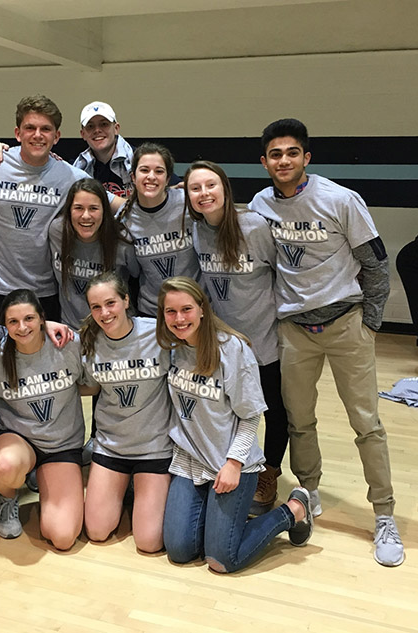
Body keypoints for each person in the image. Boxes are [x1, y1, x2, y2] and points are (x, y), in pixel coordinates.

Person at [249, 118, 404, 566]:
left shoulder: (340, 200)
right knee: (299, 420)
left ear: (306, 158)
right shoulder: (260, 205)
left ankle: (384, 514)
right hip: (294, 331)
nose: (284, 161)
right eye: (275, 154)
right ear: (264, 163)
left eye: (292, 152)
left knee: (366, 424)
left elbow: (376, 264)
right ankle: (309, 490)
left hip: (346, 324)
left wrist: (370, 324)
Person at [157, 276, 312, 573]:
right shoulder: (169, 348)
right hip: (189, 462)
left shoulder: (232, 349)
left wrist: (233, 462)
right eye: (170, 312)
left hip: (231, 465)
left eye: (186, 309)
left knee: (222, 560)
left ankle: (293, 510)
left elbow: (250, 415)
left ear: (202, 308)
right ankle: (216, 522)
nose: (179, 319)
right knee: (179, 551)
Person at [183, 161, 289, 515]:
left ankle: (269, 471)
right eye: (195, 188)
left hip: (262, 337)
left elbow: (281, 274)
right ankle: (231, 463)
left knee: (272, 408)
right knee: (230, 407)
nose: (203, 194)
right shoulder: (198, 231)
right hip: (224, 342)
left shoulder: (254, 226)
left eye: (210, 185)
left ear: (225, 189)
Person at [0, 95, 123, 323]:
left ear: (56, 136)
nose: (38, 135)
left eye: (46, 129)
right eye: (30, 128)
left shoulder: (70, 176)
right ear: (17, 133)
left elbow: (121, 205)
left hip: (42, 293)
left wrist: (176, 195)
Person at [0, 289, 88, 550]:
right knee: (4, 465)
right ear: (4, 326)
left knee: (61, 537)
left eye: (29, 318)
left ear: (42, 319)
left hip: (61, 446)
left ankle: (38, 475)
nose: (22, 327)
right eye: (13, 322)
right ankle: (7, 498)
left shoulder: (68, 344)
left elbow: (92, 385)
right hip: (20, 439)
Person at [79, 272, 173, 553]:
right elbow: (90, 387)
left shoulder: (158, 333)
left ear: (126, 300)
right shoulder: (89, 342)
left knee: (149, 542)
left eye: (111, 303)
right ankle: (125, 488)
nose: (104, 313)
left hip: (153, 447)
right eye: (96, 307)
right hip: (112, 447)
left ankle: (137, 489)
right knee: (96, 532)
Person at [118, 143, 199, 317]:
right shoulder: (124, 218)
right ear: (133, 176)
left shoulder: (188, 204)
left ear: (168, 178)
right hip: (152, 311)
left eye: (159, 171)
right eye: (144, 170)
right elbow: (131, 270)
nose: (151, 177)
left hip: (194, 306)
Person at [49, 178, 137, 329]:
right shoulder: (58, 232)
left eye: (93, 208)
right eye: (78, 208)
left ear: (105, 210)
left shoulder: (122, 241)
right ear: (69, 210)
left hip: (114, 330)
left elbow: (137, 278)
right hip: (70, 331)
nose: (86, 216)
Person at [73, 101, 135, 197]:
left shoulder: (137, 160)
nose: (97, 130)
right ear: (83, 134)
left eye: (104, 124)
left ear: (116, 128)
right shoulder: (77, 168)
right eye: (90, 126)